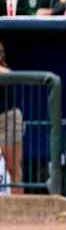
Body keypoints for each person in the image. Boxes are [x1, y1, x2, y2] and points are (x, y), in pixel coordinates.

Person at [0, 42, 24, 195]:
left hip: (7, 118)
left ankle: (19, 205)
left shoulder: (5, 70)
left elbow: (10, 75)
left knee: (13, 167)